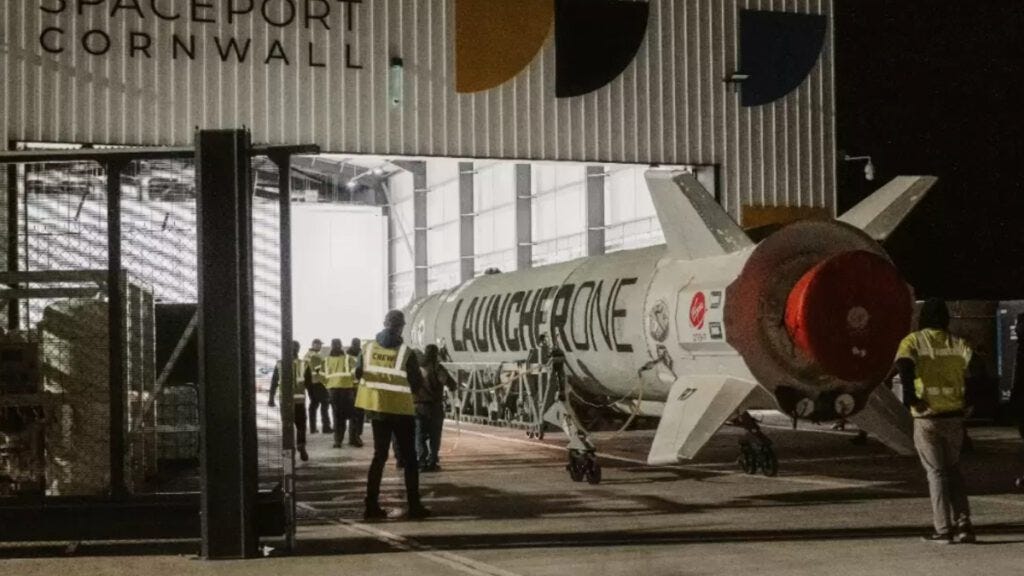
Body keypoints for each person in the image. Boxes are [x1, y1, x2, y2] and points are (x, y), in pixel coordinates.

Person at [896, 298, 977, 544]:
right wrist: (969, 402)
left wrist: (910, 397)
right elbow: (976, 372)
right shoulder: (958, 343)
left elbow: (904, 365)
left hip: (927, 416)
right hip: (954, 417)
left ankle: (943, 529)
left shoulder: (913, 341)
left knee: (936, 473)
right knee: (954, 470)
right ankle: (964, 524)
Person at [355, 310, 430, 520]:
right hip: (401, 411)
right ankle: (414, 506)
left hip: (377, 410)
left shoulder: (368, 348)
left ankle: (370, 506)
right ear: (400, 327)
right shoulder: (406, 352)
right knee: (409, 459)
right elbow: (416, 382)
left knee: (379, 457)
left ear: (384, 324)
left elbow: (358, 372)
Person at [269, 340, 313, 461]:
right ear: (298, 350)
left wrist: (271, 398)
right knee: (301, 425)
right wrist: (314, 398)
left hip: (286, 401)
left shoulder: (280, 364)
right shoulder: (303, 364)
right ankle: (301, 446)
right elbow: (309, 384)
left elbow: (274, 382)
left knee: (287, 426)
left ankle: (288, 452)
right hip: (299, 401)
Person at [416, 344, 454, 472]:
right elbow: (450, 383)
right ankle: (432, 462)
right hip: (435, 407)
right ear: (436, 354)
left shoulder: (418, 368)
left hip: (418, 406)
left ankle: (421, 461)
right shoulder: (438, 368)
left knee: (419, 436)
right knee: (434, 436)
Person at [324, 338, 358, 448]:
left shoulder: (326, 360)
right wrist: (354, 384)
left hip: (333, 391)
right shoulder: (348, 359)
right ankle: (353, 439)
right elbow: (355, 373)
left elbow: (321, 375)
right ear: (341, 346)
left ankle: (338, 441)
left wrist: (328, 384)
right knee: (353, 415)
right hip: (347, 390)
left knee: (337, 416)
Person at [304, 339, 332, 434]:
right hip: (317, 382)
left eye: (320, 344)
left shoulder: (307, 354)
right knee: (325, 402)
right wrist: (326, 383)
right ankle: (326, 427)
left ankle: (312, 428)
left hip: (309, 383)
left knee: (313, 404)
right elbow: (318, 371)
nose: (320, 346)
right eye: (319, 344)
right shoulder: (315, 356)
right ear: (314, 344)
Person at [347, 338, 365, 447]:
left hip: (357, 387)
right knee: (356, 414)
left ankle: (355, 435)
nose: (357, 346)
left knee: (357, 413)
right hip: (353, 387)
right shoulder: (350, 357)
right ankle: (355, 436)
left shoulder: (361, 355)